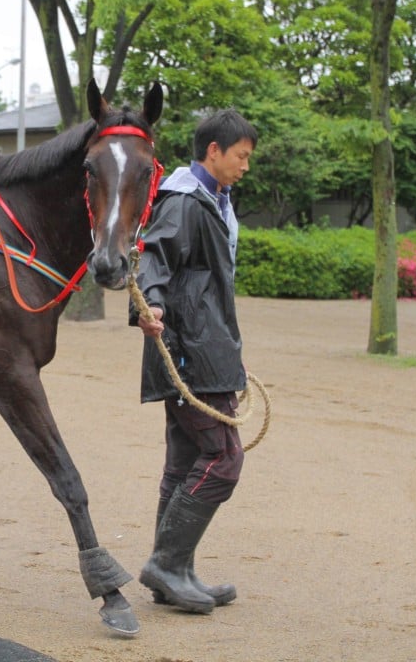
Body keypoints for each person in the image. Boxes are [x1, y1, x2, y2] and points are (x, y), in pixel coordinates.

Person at [129, 109, 258, 614]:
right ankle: (166, 565)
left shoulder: (214, 200)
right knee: (224, 458)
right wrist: (150, 305)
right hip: (190, 350)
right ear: (214, 151)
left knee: (185, 461)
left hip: (204, 346)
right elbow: (154, 256)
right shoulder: (185, 200)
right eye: (241, 156)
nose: (245, 166)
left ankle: (174, 572)